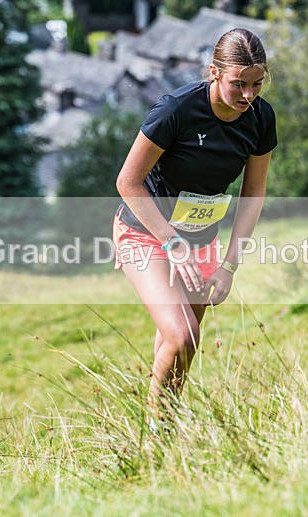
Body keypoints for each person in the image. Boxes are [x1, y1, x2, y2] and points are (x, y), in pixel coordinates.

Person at [113, 28, 276, 419]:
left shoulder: (260, 117)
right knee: (183, 335)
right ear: (214, 72)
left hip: (203, 240)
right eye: (238, 84)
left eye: (257, 84)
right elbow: (127, 183)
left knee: (177, 348)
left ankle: (161, 434)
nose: (248, 96)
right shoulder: (177, 110)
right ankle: (155, 437)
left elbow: (253, 194)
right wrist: (172, 243)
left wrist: (230, 266)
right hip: (146, 232)